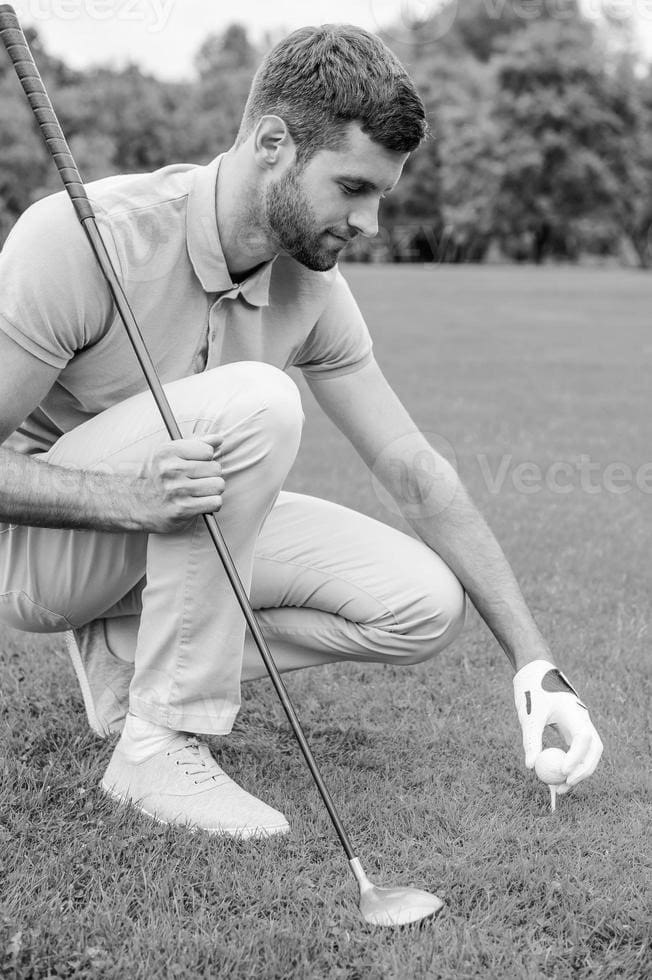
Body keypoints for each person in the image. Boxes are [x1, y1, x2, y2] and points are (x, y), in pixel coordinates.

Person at [0, 24, 602, 837]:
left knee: (421, 604)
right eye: (354, 187)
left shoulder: (313, 289)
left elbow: (413, 470)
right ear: (273, 142)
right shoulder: (84, 236)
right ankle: (158, 745)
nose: (372, 223)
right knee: (256, 401)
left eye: (381, 196)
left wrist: (538, 667)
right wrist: (124, 500)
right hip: (49, 559)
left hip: (174, 527)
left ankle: (131, 663)